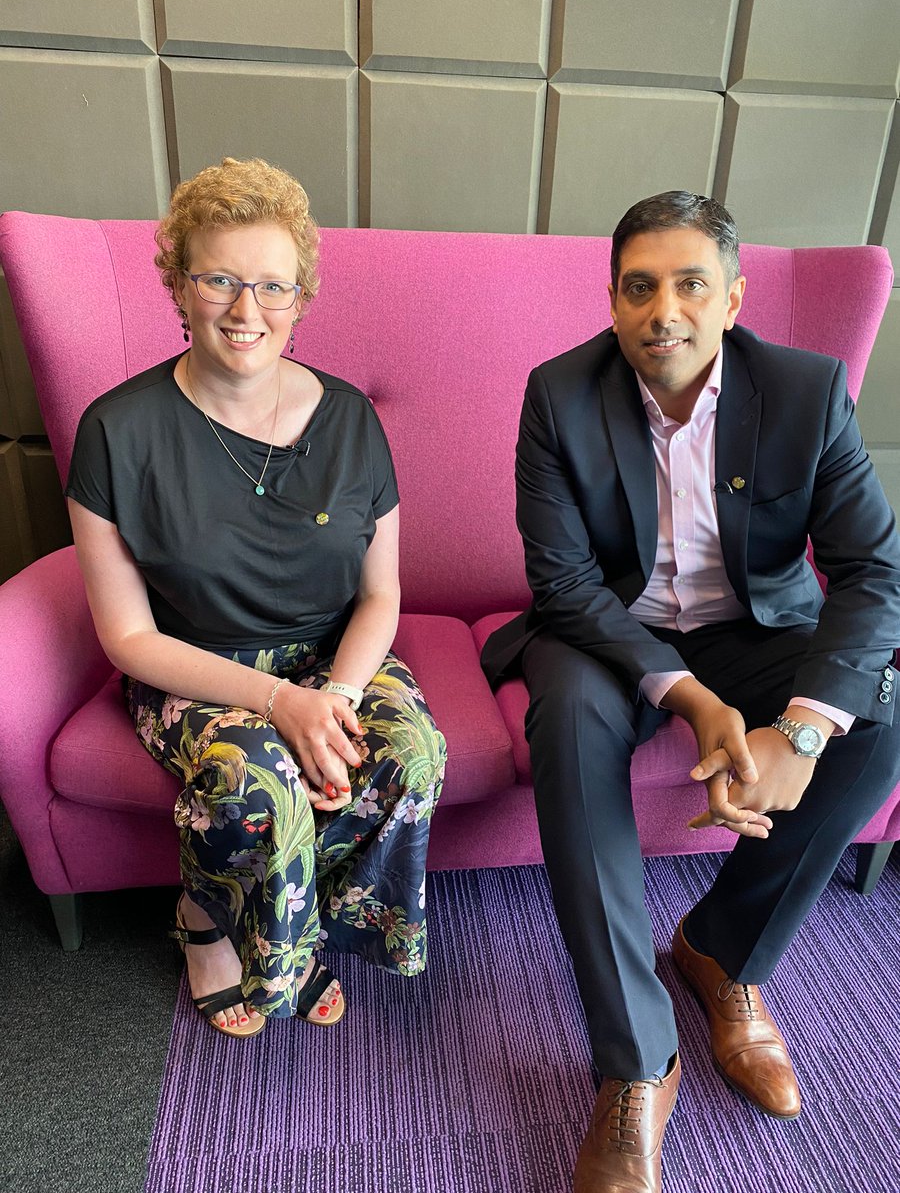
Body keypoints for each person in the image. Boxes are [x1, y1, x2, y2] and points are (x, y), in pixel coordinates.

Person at [481, 191, 900, 1191]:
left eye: (689, 284)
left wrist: (796, 733)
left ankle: (724, 954)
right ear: (614, 299)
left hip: (758, 630)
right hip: (608, 633)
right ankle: (637, 1063)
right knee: (570, 723)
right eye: (639, 286)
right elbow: (566, 584)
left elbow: (875, 571)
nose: (662, 308)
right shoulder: (559, 394)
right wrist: (701, 708)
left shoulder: (805, 392)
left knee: (880, 714)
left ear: (732, 298)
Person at [66, 157, 446, 1039]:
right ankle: (207, 927)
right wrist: (283, 705)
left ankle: (297, 934)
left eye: (272, 286)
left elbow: (381, 593)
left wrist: (338, 698)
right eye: (220, 280)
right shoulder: (117, 431)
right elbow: (126, 635)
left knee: (412, 754)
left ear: (302, 296)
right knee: (258, 783)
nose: (247, 311)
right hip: (194, 665)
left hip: (329, 654)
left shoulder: (351, 417)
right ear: (180, 284)